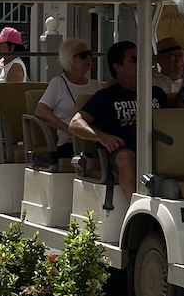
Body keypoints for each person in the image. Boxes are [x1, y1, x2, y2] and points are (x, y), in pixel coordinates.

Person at [68, 40, 170, 200]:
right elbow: (75, 123)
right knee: (126, 158)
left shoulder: (157, 93)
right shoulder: (105, 96)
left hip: (158, 149)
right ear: (117, 67)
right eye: (134, 59)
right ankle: (136, 210)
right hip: (123, 151)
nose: (142, 62)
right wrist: (102, 137)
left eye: (143, 57)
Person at [34, 37, 99, 160]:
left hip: (97, 141)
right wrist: (68, 129)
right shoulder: (59, 83)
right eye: (83, 55)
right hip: (70, 144)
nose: (89, 59)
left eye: (89, 54)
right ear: (70, 59)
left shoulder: (96, 85)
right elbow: (41, 110)